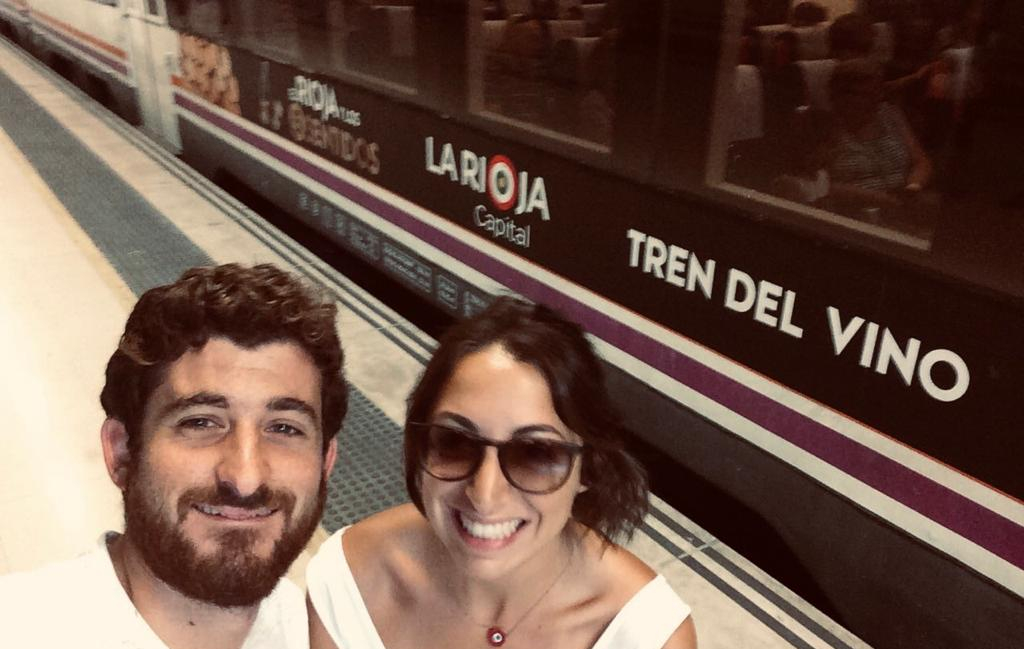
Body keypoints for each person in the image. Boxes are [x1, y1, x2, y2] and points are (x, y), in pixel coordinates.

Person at [307, 296, 697, 649]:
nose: (485, 494)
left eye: (536, 453)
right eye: (455, 442)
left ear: (589, 468)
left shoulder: (648, 636)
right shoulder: (348, 583)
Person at [0, 263, 346, 649]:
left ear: (325, 463)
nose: (246, 477)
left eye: (284, 428)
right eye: (200, 422)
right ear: (122, 452)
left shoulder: (324, 635)